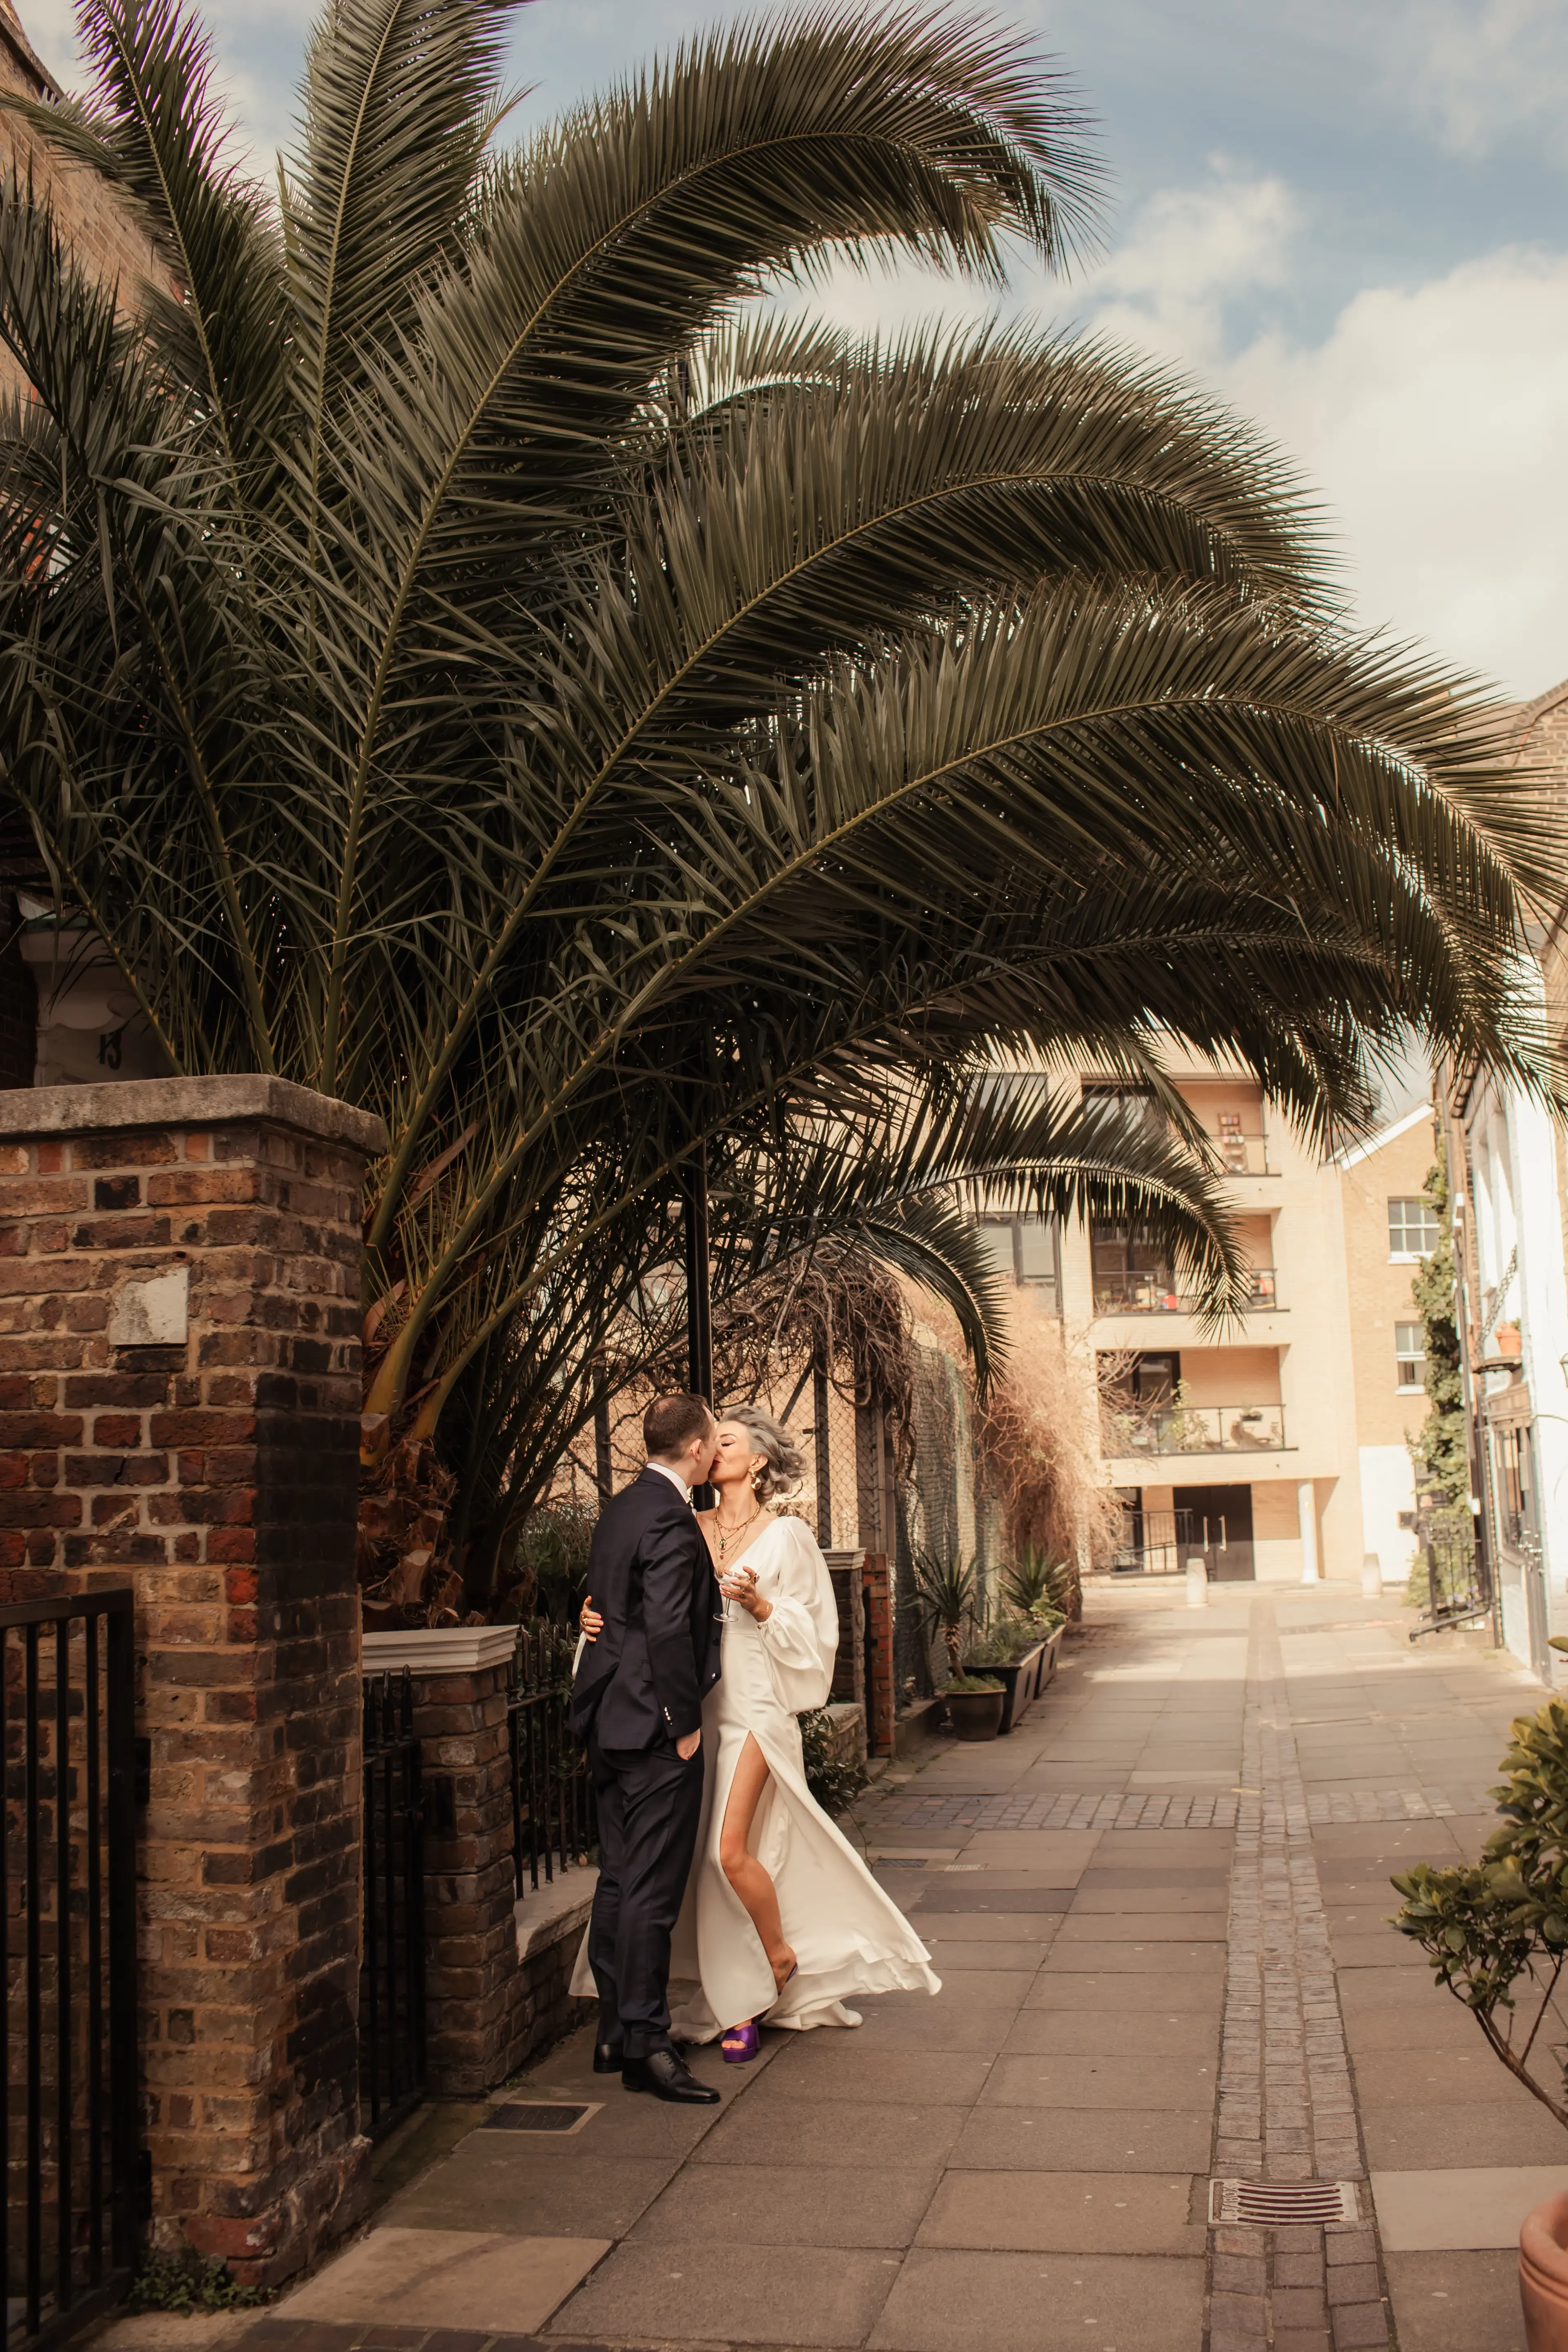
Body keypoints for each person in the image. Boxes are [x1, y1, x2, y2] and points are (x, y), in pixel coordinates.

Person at [578, 1405, 938, 2064]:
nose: (715, 1449)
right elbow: (638, 1606)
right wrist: (593, 1616)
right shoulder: (683, 1523)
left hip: (756, 1709)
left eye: (730, 1441)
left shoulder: (788, 1535)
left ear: (760, 1459)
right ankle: (730, 1993)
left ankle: (775, 1962)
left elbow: (817, 1633)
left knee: (726, 1851)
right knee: (691, 1863)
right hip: (689, 1715)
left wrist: (759, 1604)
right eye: (712, 1441)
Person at [568, 1391, 724, 2105]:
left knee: (618, 1879)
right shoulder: (669, 1516)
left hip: (608, 1719)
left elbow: (607, 1607)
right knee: (651, 1893)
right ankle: (648, 2046)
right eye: (715, 1441)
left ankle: (611, 2032)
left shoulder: (623, 1507)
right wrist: (681, 1718)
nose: (719, 1451)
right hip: (653, 1727)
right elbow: (664, 1626)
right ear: (695, 1448)